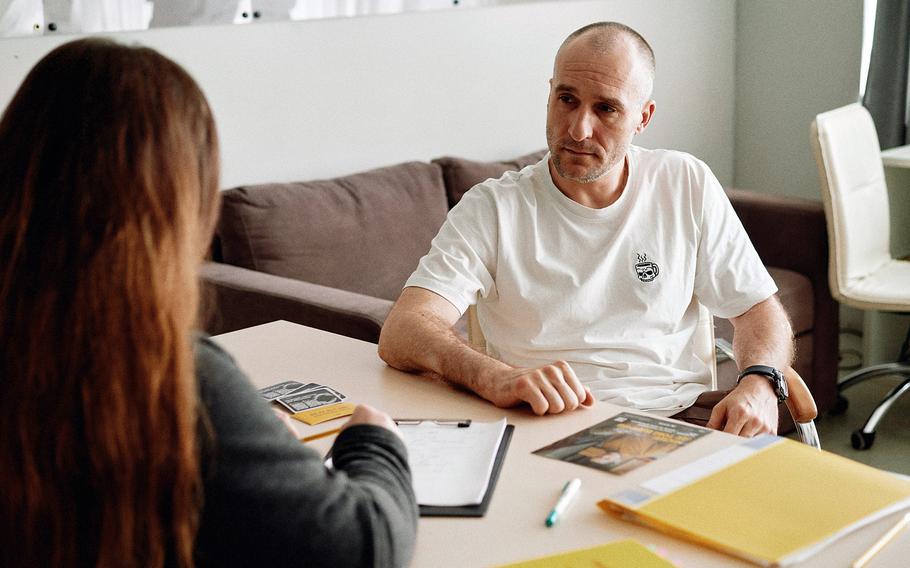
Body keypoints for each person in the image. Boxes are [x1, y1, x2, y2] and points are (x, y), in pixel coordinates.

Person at [0, 38, 417, 568]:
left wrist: (250, 453)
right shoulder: (169, 375)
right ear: (175, 204)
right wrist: (372, 443)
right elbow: (365, 546)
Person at [378, 21, 793, 437]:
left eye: (606, 109)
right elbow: (404, 328)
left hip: (677, 418)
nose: (578, 129)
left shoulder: (684, 182)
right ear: (549, 97)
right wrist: (494, 377)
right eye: (567, 99)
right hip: (546, 424)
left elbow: (758, 310)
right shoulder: (493, 208)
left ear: (642, 118)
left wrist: (759, 381)